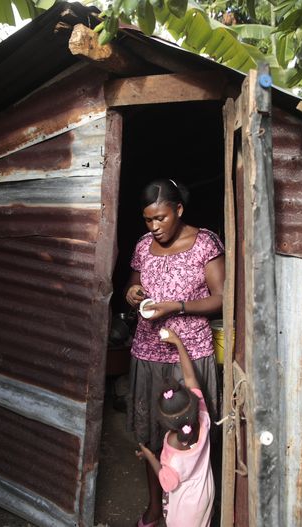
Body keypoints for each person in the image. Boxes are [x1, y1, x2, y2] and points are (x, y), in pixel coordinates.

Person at [125, 179, 224, 527]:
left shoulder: (204, 244)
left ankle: (198, 510)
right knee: (152, 436)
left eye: (161, 219)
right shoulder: (142, 245)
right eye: (148, 220)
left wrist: (176, 307)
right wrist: (134, 293)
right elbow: (132, 286)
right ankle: (156, 509)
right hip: (148, 352)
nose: (154, 227)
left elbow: (221, 298)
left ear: (178, 210)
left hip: (191, 353)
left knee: (192, 436)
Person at [137, 328, 214, 527]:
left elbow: (166, 480)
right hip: (205, 496)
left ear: (165, 423)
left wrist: (149, 455)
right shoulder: (203, 416)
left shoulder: (172, 446)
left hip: (183, 513)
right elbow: (190, 379)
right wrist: (179, 343)